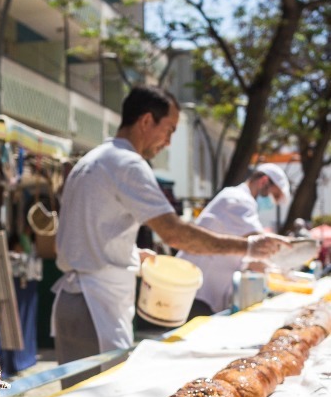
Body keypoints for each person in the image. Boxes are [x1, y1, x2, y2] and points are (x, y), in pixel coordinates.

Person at [53, 86, 288, 364]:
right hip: (94, 304)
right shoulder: (127, 163)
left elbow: (90, 231)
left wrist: (130, 254)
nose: (168, 141)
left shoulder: (92, 159)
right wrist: (248, 247)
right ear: (146, 121)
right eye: (170, 130)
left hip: (73, 301)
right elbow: (174, 233)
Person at [177, 164, 291, 315]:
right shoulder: (238, 200)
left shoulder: (241, 200)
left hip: (202, 292)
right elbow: (261, 246)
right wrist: (285, 275)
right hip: (196, 291)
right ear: (263, 182)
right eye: (274, 195)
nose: (272, 202)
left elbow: (251, 257)